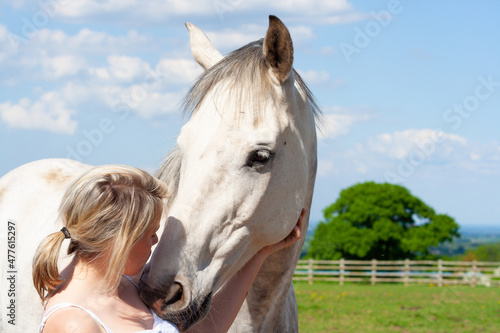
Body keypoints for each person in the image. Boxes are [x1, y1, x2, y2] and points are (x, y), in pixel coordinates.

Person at [32, 165, 304, 333]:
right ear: (120, 241)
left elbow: (204, 332)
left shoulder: (125, 284)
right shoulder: (75, 325)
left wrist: (260, 254)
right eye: (150, 234)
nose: (155, 242)